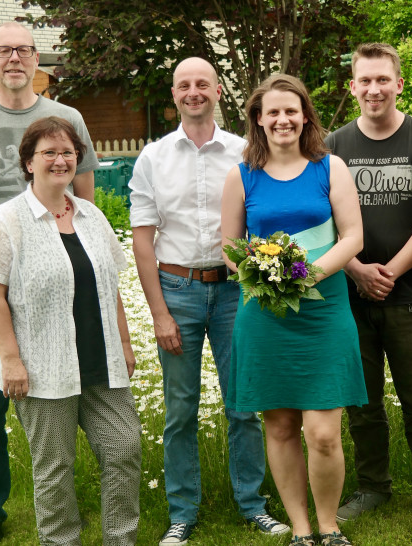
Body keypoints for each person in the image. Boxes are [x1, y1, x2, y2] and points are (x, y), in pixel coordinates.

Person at [0, 22, 98, 546]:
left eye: (23, 50)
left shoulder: (68, 119)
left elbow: (87, 201)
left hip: (63, 283)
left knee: (78, 384)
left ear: (38, 61)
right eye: (3, 50)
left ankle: (80, 496)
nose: (14, 58)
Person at [129, 58, 288, 546]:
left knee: (243, 403)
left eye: (202, 84)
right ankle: (182, 510)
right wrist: (158, 313)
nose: (193, 92)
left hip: (236, 292)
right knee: (180, 409)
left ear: (218, 91)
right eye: (184, 85)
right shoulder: (153, 158)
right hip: (177, 291)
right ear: (173, 94)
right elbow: (142, 240)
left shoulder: (246, 152)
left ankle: (251, 504)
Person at [0, 116, 141, 545]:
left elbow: (111, 286)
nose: (59, 160)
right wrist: (11, 361)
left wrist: (124, 343)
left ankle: (120, 539)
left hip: (100, 358)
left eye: (67, 152)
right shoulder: (7, 219)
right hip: (40, 365)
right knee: (54, 466)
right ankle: (60, 540)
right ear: (28, 163)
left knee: (124, 450)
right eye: (48, 152)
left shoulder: (90, 215)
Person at [221, 73, 366, 546]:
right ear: (258, 120)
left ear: (305, 116)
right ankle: (302, 530)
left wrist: (302, 276)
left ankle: (329, 524)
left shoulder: (331, 167)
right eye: (272, 112)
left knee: (323, 432)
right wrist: (263, 277)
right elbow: (229, 246)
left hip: (324, 313)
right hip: (265, 316)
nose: (282, 119)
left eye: (291, 111)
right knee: (280, 425)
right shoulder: (241, 175)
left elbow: (353, 238)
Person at [324, 43, 412, 528]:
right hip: (349, 296)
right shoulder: (334, 146)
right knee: (362, 401)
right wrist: (357, 270)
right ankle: (373, 487)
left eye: (383, 79)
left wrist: (390, 273)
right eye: (365, 80)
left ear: (398, 84)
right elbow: (327, 223)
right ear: (352, 86)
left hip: (411, 297)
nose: (374, 89)